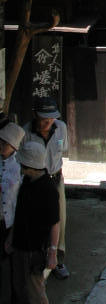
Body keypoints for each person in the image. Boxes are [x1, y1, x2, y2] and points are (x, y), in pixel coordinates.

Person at [23, 96, 69, 279]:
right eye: (44, 118)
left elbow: (62, 150)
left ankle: (58, 260)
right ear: (35, 115)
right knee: (36, 220)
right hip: (33, 181)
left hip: (55, 178)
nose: (48, 122)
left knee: (60, 220)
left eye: (51, 118)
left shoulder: (61, 128)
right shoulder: (25, 132)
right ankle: (35, 259)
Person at [11, 140, 60, 304]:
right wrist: (11, 238)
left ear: (29, 166)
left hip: (35, 248)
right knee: (19, 289)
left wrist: (52, 252)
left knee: (35, 292)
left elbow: (55, 222)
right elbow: (19, 213)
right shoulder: (26, 181)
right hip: (19, 244)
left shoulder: (48, 188)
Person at [0, 122, 24, 304]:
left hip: (11, 223)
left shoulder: (19, 168)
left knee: (12, 268)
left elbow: (19, 202)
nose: (1, 146)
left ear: (14, 146)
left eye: (5, 143)